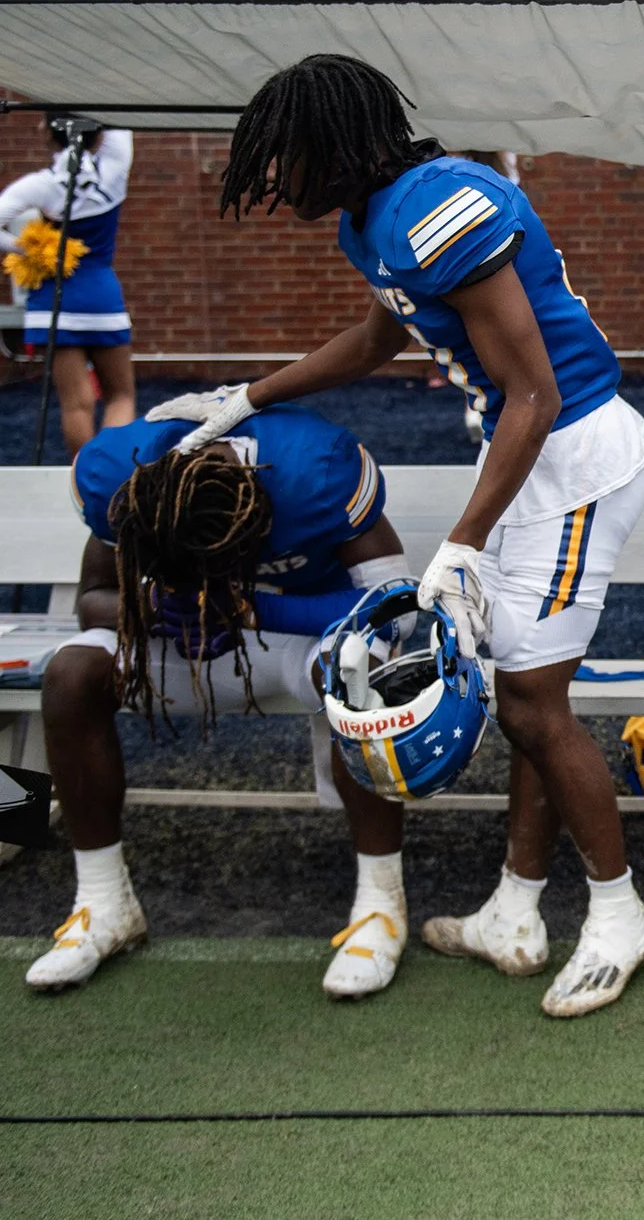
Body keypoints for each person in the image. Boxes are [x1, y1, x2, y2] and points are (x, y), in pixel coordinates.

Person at [170, 53, 644, 1018]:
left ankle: (618, 909)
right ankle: (515, 910)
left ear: (335, 146)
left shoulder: (439, 205)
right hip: (521, 455)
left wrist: (463, 541)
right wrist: (248, 395)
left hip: (570, 456)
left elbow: (538, 391)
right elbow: (385, 335)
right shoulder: (370, 216)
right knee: (522, 685)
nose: (275, 183)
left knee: (528, 702)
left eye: (286, 158)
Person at [22, 412, 420, 997]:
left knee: (356, 673)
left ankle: (381, 904)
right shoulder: (126, 479)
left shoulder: (315, 472)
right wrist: (158, 604)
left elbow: (397, 607)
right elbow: (93, 602)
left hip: (294, 637)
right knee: (71, 673)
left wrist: (253, 609)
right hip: (181, 641)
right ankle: (104, 904)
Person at [0, 124, 137, 454]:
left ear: (45, 132)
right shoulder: (116, 168)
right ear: (99, 136)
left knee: (77, 404)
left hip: (53, 300)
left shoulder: (41, 185)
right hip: (101, 297)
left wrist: (35, 250)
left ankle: (80, 482)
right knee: (121, 396)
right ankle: (109, 475)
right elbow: (120, 118)